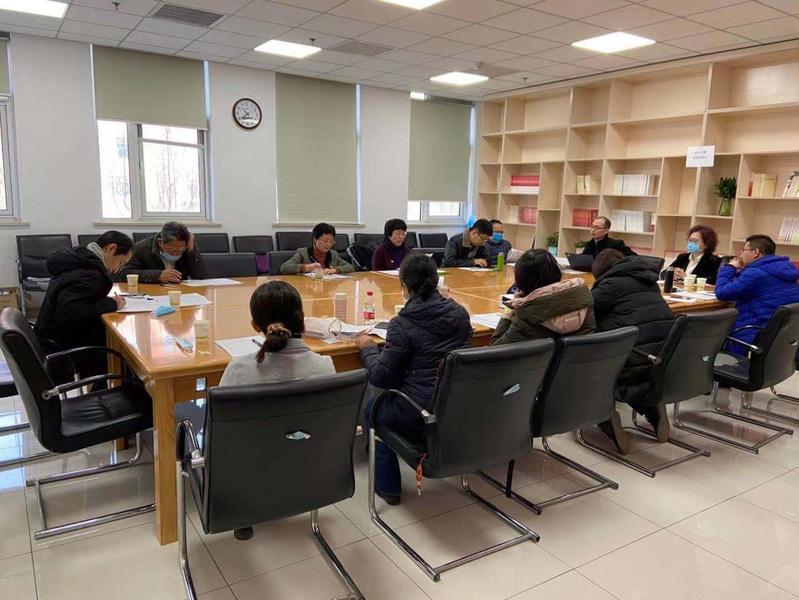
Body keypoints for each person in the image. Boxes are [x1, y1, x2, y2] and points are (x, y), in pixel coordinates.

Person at [219, 280, 335, 539]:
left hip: (251, 469)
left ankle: (244, 512)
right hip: (310, 466)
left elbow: (220, 429)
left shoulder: (239, 369)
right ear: (302, 320)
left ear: (255, 326)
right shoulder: (325, 366)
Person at [355, 254, 472, 505]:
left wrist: (368, 350)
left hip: (418, 410)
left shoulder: (402, 323)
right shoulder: (460, 313)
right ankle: (383, 447)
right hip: (455, 404)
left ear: (404, 288)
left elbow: (381, 376)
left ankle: (387, 487)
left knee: (373, 408)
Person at [592, 249, 675, 449]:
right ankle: (651, 408)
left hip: (630, 363)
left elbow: (582, 306)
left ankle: (605, 415)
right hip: (660, 364)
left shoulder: (610, 285)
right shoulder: (650, 282)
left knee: (585, 364)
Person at [34, 231, 133, 378]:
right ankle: (114, 390)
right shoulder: (89, 272)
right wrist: (112, 303)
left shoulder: (79, 261)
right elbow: (71, 312)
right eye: (121, 262)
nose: (117, 269)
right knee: (129, 361)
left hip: (50, 341)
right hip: (63, 351)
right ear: (111, 248)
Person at [492, 249, 596, 346]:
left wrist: (509, 309)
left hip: (539, 361)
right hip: (578, 359)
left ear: (521, 280)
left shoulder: (526, 315)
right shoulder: (583, 301)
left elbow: (496, 347)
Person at [715, 234, 799, 354]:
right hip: (780, 342)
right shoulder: (786, 269)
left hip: (753, 337)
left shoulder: (756, 273)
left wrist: (729, 267)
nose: (741, 254)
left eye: (744, 250)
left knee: (706, 338)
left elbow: (722, 293)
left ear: (755, 252)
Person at [119, 222, 206, 283]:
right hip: (152, 293)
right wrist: (157, 275)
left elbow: (200, 276)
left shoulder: (188, 247)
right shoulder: (141, 248)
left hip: (179, 292)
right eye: (172, 250)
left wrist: (192, 251)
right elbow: (124, 274)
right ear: (160, 242)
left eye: (180, 251)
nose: (176, 254)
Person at [280, 222, 355, 275]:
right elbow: (284, 268)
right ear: (315, 239)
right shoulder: (303, 253)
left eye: (331, 241)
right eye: (325, 240)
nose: (328, 244)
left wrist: (334, 270)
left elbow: (350, 267)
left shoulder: (333, 254)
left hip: (329, 287)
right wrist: (306, 267)